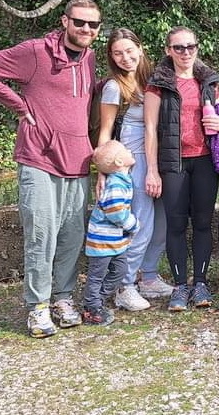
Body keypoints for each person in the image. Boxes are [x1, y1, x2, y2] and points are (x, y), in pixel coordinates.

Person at [0, 0, 101, 338]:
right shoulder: (35, 52)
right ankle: (37, 306)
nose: (86, 29)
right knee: (41, 235)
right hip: (39, 157)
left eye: (93, 25)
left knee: (72, 236)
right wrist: (18, 105)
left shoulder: (89, 57)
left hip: (78, 159)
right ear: (64, 21)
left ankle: (62, 298)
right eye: (80, 22)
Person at [144, 27, 219, 311]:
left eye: (190, 46)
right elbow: (151, 128)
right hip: (173, 161)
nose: (185, 52)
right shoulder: (159, 83)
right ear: (168, 50)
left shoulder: (210, 81)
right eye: (178, 48)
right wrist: (152, 170)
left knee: (203, 223)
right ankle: (180, 286)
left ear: (197, 48)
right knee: (176, 224)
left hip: (205, 159)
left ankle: (201, 283)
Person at [95, 28, 173, 312]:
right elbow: (105, 133)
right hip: (133, 162)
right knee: (140, 225)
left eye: (130, 51)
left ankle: (149, 277)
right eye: (118, 53)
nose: (125, 58)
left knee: (163, 223)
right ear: (111, 58)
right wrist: (103, 172)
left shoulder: (152, 80)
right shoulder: (115, 87)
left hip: (159, 158)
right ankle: (123, 286)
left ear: (140, 49)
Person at [82, 140, 140, 326]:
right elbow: (115, 211)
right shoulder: (116, 184)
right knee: (96, 274)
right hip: (102, 241)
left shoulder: (122, 179)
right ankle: (92, 307)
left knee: (120, 269)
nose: (129, 149)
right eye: (125, 150)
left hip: (114, 241)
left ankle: (96, 299)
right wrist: (132, 224)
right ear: (119, 162)